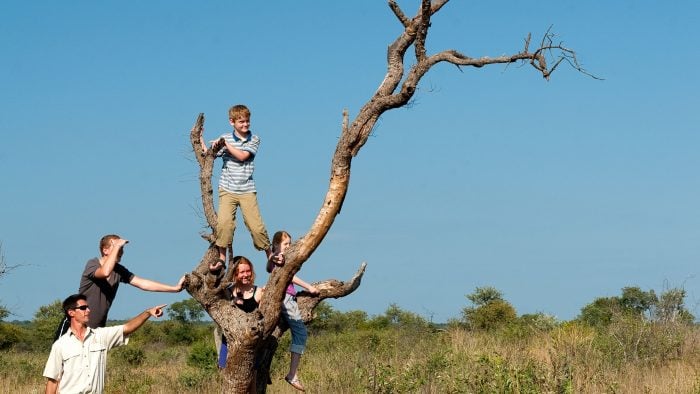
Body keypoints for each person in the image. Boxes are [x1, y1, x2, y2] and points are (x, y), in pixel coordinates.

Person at [54, 234, 185, 339]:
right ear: (105, 250)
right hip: (74, 328)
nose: (121, 251)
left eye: (122, 248)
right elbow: (105, 272)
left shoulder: (119, 270)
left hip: (96, 331)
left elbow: (143, 283)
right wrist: (117, 245)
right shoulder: (92, 264)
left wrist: (175, 288)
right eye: (117, 247)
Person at [43, 294, 166, 394]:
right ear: (71, 313)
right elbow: (52, 381)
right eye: (83, 308)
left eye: (88, 307)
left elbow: (128, 327)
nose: (88, 310)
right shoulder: (60, 345)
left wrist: (148, 313)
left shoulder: (101, 336)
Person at [200, 104, 272, 272]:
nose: (245, 125)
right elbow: (209, 154)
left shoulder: (254, 139)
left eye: (247, 121)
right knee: (225, 224)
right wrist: (202, 141)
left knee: (256, 226)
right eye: (241, 122)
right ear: (232, 122)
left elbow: (242, 156)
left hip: (247, 189)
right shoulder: (225, 138)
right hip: (227, 189)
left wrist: (225, 145)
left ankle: (270, 255)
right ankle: (221, 259)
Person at [266, 230, 319, 392]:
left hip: (284, 297)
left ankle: (264, 368)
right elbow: (289, 276)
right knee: (301, 334)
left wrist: (270, 256)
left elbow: (269, 268)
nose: (289, 246)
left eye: (290, 243)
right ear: (276, 245)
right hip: (286, 298)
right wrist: (309, 286)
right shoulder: (280, 258)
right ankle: (292, 374)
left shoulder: (276, 258)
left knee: (270, 335)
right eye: (285, 244)